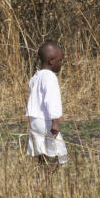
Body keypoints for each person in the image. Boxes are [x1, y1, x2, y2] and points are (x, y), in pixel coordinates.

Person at [25, 41, 68, 170]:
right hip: (46, 121)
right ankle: (44, 180)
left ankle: (40, 176)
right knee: (61, 155)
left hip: (34, 121)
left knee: (41, 152)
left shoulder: (36, 76)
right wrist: (55, 121)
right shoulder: (50, 77)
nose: (61, 64)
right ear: (51, 61)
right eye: (60, 61)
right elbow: (51, 100)